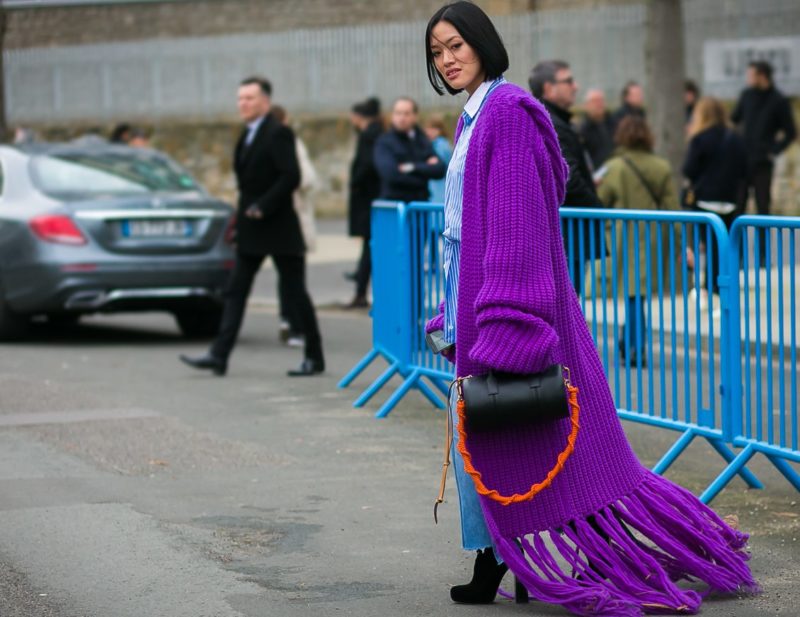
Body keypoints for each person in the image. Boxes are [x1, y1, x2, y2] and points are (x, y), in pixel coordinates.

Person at [423, 2, 755, 612]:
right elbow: (464, 226)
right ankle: (498, 557)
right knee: (484, 431)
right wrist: (451, 307)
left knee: (508, 433)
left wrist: (509, 322)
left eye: (456, 46)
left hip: (504, 300)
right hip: (469, 291)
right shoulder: (474, 118)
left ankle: (503, 561)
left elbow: (517, 228)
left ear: (483, 44)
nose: (447, 59)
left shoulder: (509, 112)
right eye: (438, 51)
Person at [179, 76, 325, 377]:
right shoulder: (247, 134)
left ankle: (314, 356)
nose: (243, 103)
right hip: (252, 230)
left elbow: (291, 176)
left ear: (265, 102)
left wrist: (263, 206)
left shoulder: (278, 132)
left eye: (249, 98)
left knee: (295, 293)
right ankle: (219, 355)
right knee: (236, 291)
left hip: (279, 228)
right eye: (240, 98)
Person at [597, 116, 680, 365]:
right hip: (653, 236)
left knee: (632, 291)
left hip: (623, 237)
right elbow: (672, 208)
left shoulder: (614, 167)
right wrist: (680, 243)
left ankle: (633, 343)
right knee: (638, 293)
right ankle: (634, 342)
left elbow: (601, 200)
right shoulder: (661, 166)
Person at [529, 59, 604, 294]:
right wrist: (598, 206)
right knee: (565, 307)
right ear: (549, 89)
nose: (576, 86)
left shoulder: (556, 121)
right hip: (566, 234)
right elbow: (567, 177)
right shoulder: (551, 123)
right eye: (568, 81)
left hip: (568, 234)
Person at [682, 97, 747, 293]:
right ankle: (724, 285)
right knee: (725, 246)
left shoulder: (700, 138)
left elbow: (689, 170)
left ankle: (711, 285)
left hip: (705, 200)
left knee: (709, 246)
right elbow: (744, 169)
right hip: (729, 199)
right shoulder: (734, 137)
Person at [271, 104, 320, 345]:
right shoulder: (289, 141)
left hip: (275, 218)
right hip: (293, 214)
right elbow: (307, 178)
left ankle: (287, 320)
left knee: (285, 273)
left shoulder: (261, 141)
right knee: (294, 274)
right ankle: (298, 328)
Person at [732, 60, 797, 218]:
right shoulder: (746, 95)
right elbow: (734, 120)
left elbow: (791, 132)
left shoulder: (779, 100)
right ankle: (735, 243)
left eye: (751, 75)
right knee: (738, 205)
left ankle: (762, 243)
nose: (748, 78)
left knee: (763, 207)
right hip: (743, 160)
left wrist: (774, 150)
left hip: (763, 162)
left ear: (762, 76)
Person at [345, 97, 383, 310]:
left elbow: (366, 165)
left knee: (370, 247)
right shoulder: (377, 133)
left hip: (368, 198)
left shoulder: (368, 136)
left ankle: (360, 290)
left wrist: (354, 183)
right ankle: (360, 287)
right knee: (370, 246)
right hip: (373, 197)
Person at [373, 97, 446, 204]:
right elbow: (391, 175)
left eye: (406, 113)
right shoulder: (384, 142)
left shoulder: (421, 140)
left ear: (415, 116)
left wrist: (412, 167)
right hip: (395, 208)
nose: (402, 118)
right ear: (392, 116)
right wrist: (424, 173)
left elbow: (439, 169)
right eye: (398, 113)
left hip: (420, 209)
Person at [578, 88, 615, 169]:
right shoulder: (582, 130)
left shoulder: (613, 124)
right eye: (595, 101)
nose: (599, 104)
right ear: (586, 105)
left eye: (601, 100)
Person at [423, 115, 453, 204]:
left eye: (434, 129)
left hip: (440, 188)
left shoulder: (441, 144)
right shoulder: (429, 144)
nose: (430, 132)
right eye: (428, 129)